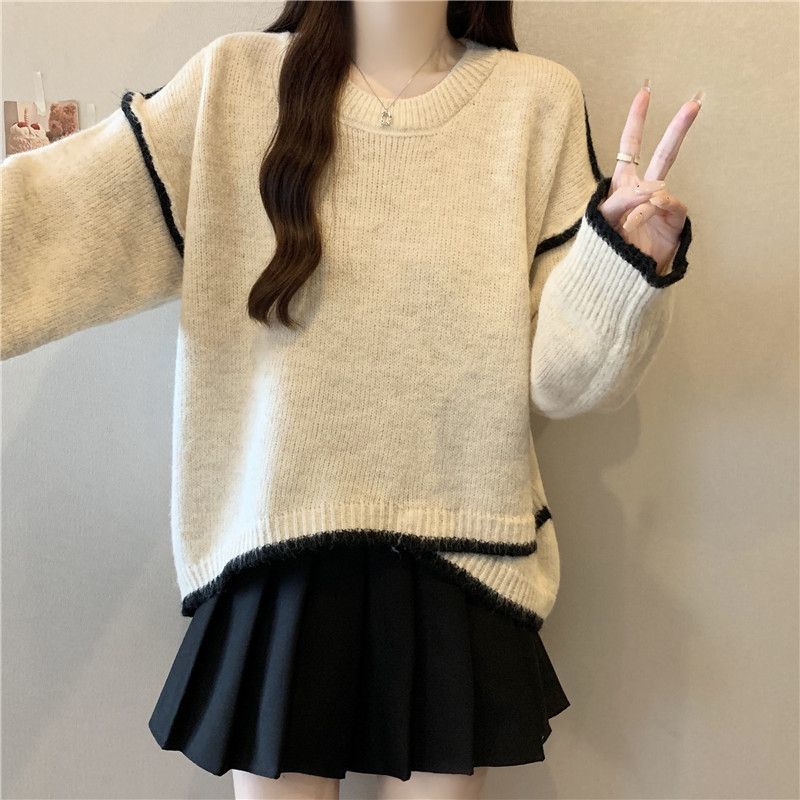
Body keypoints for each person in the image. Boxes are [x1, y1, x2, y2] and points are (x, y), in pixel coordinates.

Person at [1, 1, 700, 798]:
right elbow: (49, 222)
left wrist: (625, 264)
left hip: (463, 553)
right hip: (277, 547)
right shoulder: (233, 83)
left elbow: (565, 383)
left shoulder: (536, 101)